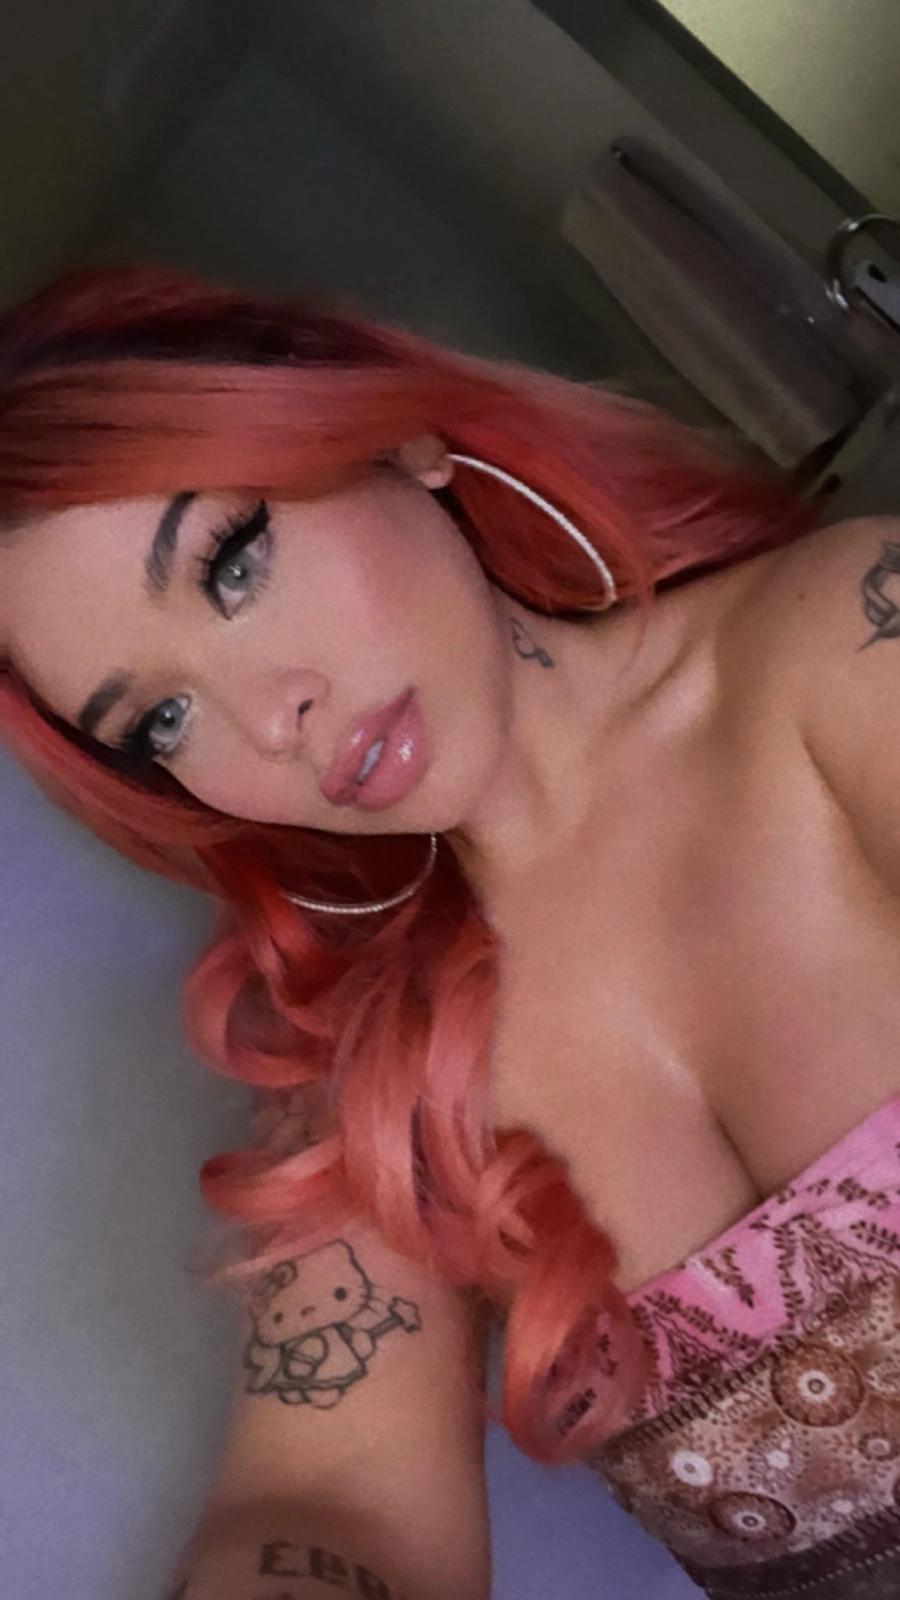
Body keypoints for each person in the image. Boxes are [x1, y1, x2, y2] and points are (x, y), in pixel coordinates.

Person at [3, 262, 900, 1600]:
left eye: (235, 565)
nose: (272, 716)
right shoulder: (374, 1073)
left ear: (398, 436)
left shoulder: (848, 648)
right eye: (163, 721)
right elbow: (325, 1502)